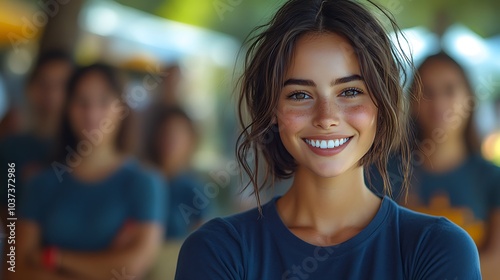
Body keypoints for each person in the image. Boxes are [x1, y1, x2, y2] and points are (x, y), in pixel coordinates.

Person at [175, 0, 481, 279]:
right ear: (272, 110)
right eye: (300, 95)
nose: (326, 117)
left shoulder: (439, 248)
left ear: (383, 102)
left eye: (349, 92)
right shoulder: (218, 250)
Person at [15, 63, 166, 280]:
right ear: (68, 108)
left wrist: (54, 258)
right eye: (81, 101)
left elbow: (134, 265)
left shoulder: (144, 182)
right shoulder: (40, 182)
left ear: (121, 107)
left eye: (104, 101)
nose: (91, 112)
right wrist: (101, 267)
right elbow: (16, 267)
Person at [403, 52, 500, 279]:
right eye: (427, 92)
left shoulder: (492, 178)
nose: (439, 103)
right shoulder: (387, 174)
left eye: (449, 90)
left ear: (469, 99)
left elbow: (497, 266)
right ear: (412, 102)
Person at [0, 50, 73, 210]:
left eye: (61, 85)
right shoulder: (13, 148)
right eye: (44, 83)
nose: (52, 93)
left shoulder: (86, 149)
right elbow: (8, 208)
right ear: (31, 88)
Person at [144, 106, 207, 240]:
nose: (171, 139)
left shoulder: (194, 189)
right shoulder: (141, 182)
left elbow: (203, 237)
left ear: (191, 140)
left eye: (178, 133)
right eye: (166, 132)